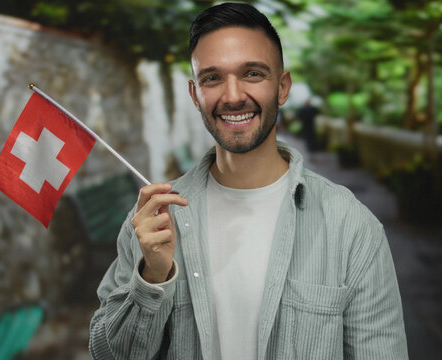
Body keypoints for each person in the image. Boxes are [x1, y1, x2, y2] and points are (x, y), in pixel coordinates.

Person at [89, 3, 408, 359]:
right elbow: (107, 354)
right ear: (196, 95)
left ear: (282, 87)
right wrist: (152, 276)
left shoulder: (351, 226)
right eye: (212, 78)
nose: (233, 96)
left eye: (253, 74)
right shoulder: (153, 222)